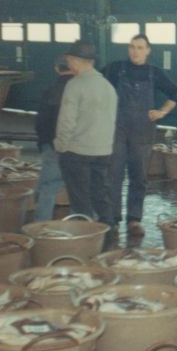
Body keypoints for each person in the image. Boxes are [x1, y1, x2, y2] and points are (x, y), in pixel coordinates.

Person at [102, 34, 177, 236]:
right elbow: (98, 88)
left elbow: (175, 93)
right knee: (113, 174)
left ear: (148, 50)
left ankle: (134, 220)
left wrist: (162, 112)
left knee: (139, 176)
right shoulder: (115, 69)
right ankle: (112, 219)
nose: (135, 51)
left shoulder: (154, 73)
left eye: (139, 47)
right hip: (117, 128)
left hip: (143, 131)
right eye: (132, 47)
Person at [54, 40, 117, 226]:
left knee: (81, 202)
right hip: (103, 151)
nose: (68, 63)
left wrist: (60, 146)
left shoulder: (75, 85)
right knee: (101, 195)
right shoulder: (108, 87)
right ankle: (109, 234)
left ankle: (86, 238)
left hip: (77, 153)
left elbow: (66, 122)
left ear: (75, 60)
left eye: (69, 59)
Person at [34, 54, 73, 221]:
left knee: (48, 187)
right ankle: (85, 229)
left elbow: (41, 122)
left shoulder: (50, 91)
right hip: (79, 146)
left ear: (56, 69)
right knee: (83, 189)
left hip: (53, 146)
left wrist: (43, 144)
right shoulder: (81, 91)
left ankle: (41, 228)